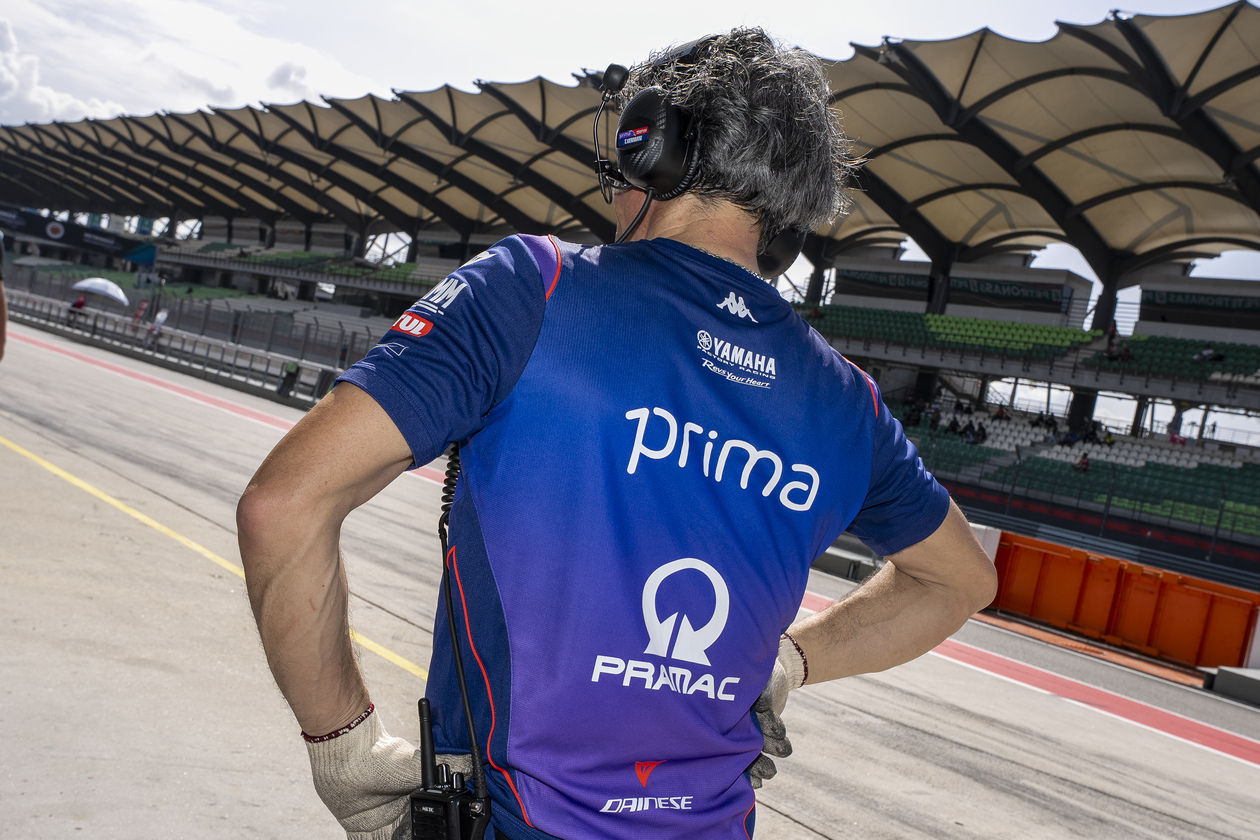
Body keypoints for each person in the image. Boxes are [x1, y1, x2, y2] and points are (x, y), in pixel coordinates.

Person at [237, 29, 996, 840]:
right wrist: (792, 661)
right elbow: (960, 582)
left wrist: (347, 752)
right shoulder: (850, 405)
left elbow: (284, 505)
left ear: (654, 146)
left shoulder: (534, 288)